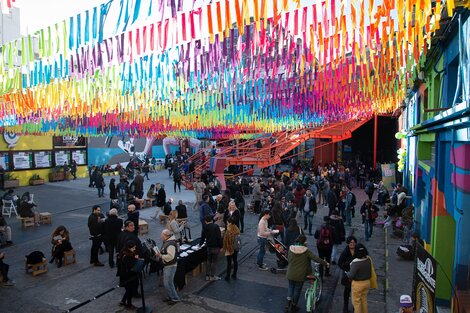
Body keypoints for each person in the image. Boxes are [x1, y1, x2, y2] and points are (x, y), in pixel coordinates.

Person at [285, 234, 328, 313]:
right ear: (304, 242)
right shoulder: (306, 251)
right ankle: (294, 306)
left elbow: (288, 258)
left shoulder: (290, 248)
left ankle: (288, 304)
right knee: (297, 290)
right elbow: (316, 258)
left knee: (291, 287)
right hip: (300, 275)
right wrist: (325, 263)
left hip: (290, 273)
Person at [156, 229, 180, 305]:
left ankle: (174, 298)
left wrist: (161, 256)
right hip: (169, 265)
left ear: (166, 236)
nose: (161, 237)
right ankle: (172, 296)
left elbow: (170, 256)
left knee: (167, 283)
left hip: (170, 266)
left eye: (162, 235)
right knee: (169, 282)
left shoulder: (170, 244)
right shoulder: (169, 242)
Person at [347, 244, 372, 313]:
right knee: (364, 300)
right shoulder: (368, 259)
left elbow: (351, 275)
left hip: (358, 284)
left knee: (356, 302)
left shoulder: (356, 262)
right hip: (367, 283)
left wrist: (347, 273)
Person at [200, 215, 223, 281]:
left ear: (205, 221)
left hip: (209, 246)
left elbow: (202, 237)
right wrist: (221, 246)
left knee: (208, 261)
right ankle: (212, 276)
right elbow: (219, 238)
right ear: (212, 220)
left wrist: (200, 244)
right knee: (214, 262)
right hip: (215, 247)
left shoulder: (205, 227)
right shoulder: (215, 226)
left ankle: (207, 276)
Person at [338, 236, 358, 313]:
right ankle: (345, 306)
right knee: (347, 290)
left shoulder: (358, 251)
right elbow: (340, 263)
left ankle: (355, 306)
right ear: (348, 243)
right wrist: (346, 266)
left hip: (356, 275)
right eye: (350, 243)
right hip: (348, 275)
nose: (352, 244)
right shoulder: (345, 252)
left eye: (353, 242)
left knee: (355, 291)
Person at [119, 240, 140, 309]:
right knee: (129, 290)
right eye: (133, 248)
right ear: (129, 248)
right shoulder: (127, 256)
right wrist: (136, 259)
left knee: (128, 290)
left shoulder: (126, 252)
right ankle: (129, 305)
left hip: (127, 275)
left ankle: (123, 301)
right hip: (127, 276)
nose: (134, 249)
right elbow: (130, 266)